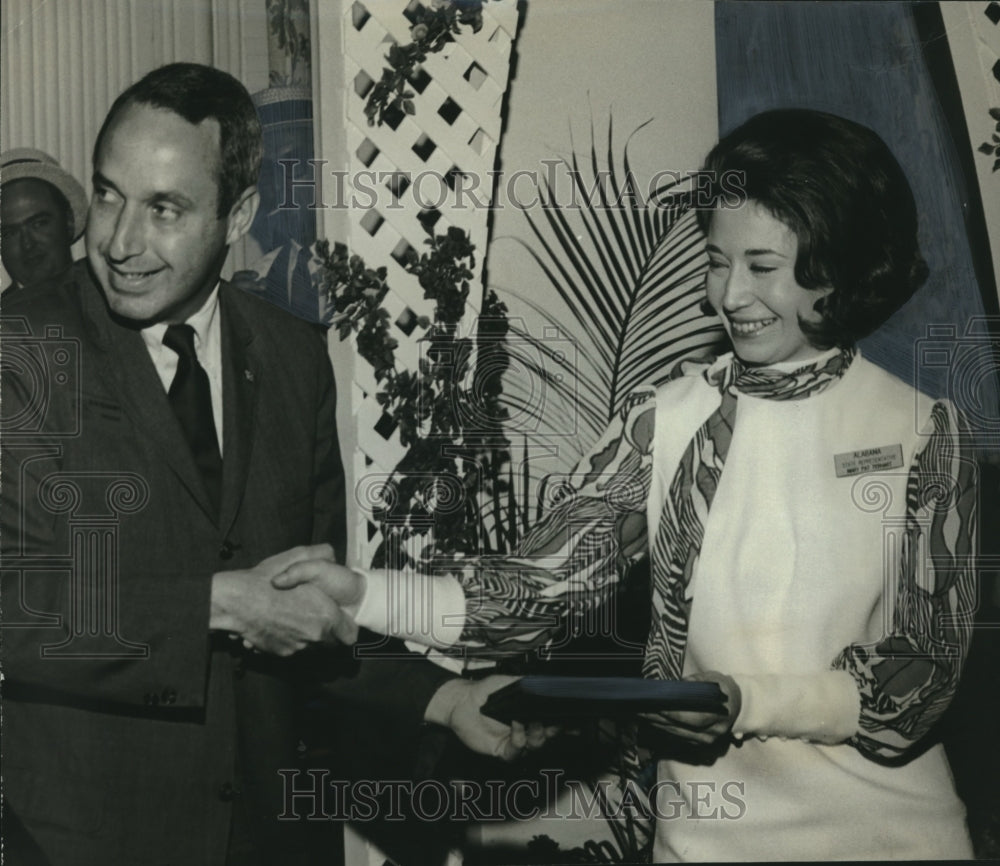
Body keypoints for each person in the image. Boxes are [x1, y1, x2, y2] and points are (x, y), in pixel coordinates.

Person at [272, 109, 979, 861]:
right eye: (716, 261)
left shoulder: (924, 431)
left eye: (762, 267)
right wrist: (365, 595)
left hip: (895, 842)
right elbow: (528, 594)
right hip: (705, 846)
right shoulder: (662, 423)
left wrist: (745, 702)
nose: (728, 295)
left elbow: (919, 680)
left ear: (837, 263)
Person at [0, 62, 538, 866]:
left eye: (165, 209)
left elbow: (307, 613)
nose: (118, 241)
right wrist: (219, 605)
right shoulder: (22, 347)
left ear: (238, 214)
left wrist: (443, 696)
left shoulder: (293, 359)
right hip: (92, 840)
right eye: (109, 194)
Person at [1, 148, 89, 292]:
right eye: (9, 233)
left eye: (39, 224)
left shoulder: (111, 303)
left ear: (69, 222)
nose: (27, 244)